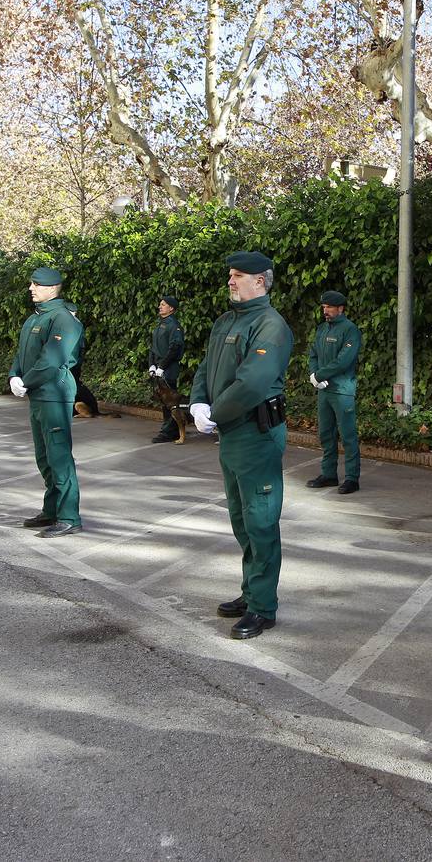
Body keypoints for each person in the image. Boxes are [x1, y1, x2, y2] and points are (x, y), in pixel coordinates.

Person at [190, 251, 294, 639]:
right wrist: (199, 400)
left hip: (256, 434)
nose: (231, 281)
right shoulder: (226, 320)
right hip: (232, 433)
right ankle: (251, 591)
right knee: (241, 519)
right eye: (230, 275)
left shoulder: (271, 325)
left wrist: (216, 412)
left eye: (238, 276)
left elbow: (252, 382)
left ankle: (263, 607)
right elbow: (206, 366)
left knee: (261, 520)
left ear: (260, 282)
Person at [9, 267, 85, 538]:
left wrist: (26, 381)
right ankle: (51, 510)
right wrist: (13, 376)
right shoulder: (34, 319)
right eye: (32, 284)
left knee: (59, 455)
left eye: (37, 285)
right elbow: (21, 354)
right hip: (38, 394)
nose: (31, 288)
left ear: (53, 288)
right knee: (44, 455)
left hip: (54, 393)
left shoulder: (64, 319)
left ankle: (68, 516)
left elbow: (52, 360)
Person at [305, 290, 362, 494]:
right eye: (323, 307)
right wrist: (314, 376)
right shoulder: (322, 329)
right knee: (326, 434)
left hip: (342, 390)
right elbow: (313, 354)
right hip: (324, 390)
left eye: (329, 307)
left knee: (347, 435)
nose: (325, 311)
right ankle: (329, 475)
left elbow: (344, 360)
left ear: (341, 308)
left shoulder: (350, 330)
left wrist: (319, 376)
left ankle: (352, 478)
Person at [148, 294, 186, 443]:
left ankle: (169, 432)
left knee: (170, 402)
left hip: (168, 369)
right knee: (165, 402)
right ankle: (170, 430)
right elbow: (153, 347)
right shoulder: (161, 324)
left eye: (163, 304)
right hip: (159, 368)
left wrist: (162, 366)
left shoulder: (174, 326)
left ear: (171, 308)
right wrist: (151, 364)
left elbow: (175, 347)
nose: (160, 306)